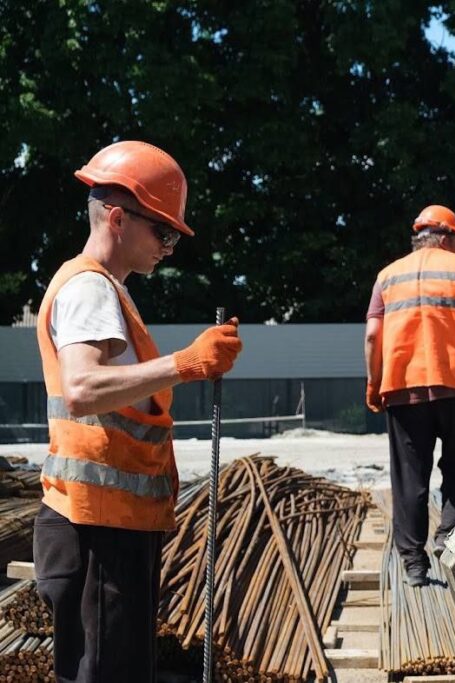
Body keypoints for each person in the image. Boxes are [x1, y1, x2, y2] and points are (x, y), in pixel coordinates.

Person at [34, 140, 242, 682]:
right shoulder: (90, 289)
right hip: (95, 531)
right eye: (163, 232)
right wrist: (186, 364)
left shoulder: (108, 291)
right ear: (119, 218)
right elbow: (82, 387)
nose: (169, 248)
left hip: (107, 525)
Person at [364, 205, 455, 586]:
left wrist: (374, 382)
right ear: (446, 237)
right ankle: (449, 535)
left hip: (402, 389)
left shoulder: (387, 276)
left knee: (410, 478)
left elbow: (373, 335)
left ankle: (414, 564)